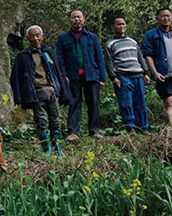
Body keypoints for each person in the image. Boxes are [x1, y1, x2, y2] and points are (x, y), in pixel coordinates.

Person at [10, 25, 71, 155]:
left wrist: (63, 91)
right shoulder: (23, 56)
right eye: (32, 36)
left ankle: (58, 149)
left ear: (42, 37)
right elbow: (15, 77)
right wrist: (19, 98)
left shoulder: (49, 53)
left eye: (38, 35)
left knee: (56, 120)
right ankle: (46, 150)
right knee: (42, 121)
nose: (35, 38)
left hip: (52, 92)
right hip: (36, 93)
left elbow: (59, 73)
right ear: (27, 38)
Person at [55, 9, 105, 141]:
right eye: (74, 17)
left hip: (92, 75)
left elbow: (99, 57)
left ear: (83, 19)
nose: (77, 20)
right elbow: (60, 59)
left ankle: (94, 131)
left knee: (93, 103)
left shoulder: (92, 37)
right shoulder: (63, 38)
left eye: (79, 17)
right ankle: (73, 132)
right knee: (74, 103)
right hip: (73, 76)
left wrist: (102, 78)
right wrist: (63, 76)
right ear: (69, 20)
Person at [104, 17, 151, 133]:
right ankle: (130, 128)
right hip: (122, 77)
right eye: (118, 24)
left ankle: (143, 128)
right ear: (113, 27)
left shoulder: (133, 42)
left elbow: (140, 58)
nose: (121, 26)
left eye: (123, 24)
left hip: (138, 76)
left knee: (140, 103)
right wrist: (113, 77)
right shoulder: (110, 44)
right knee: (126, 103)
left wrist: (146, 73)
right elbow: (109, 63)